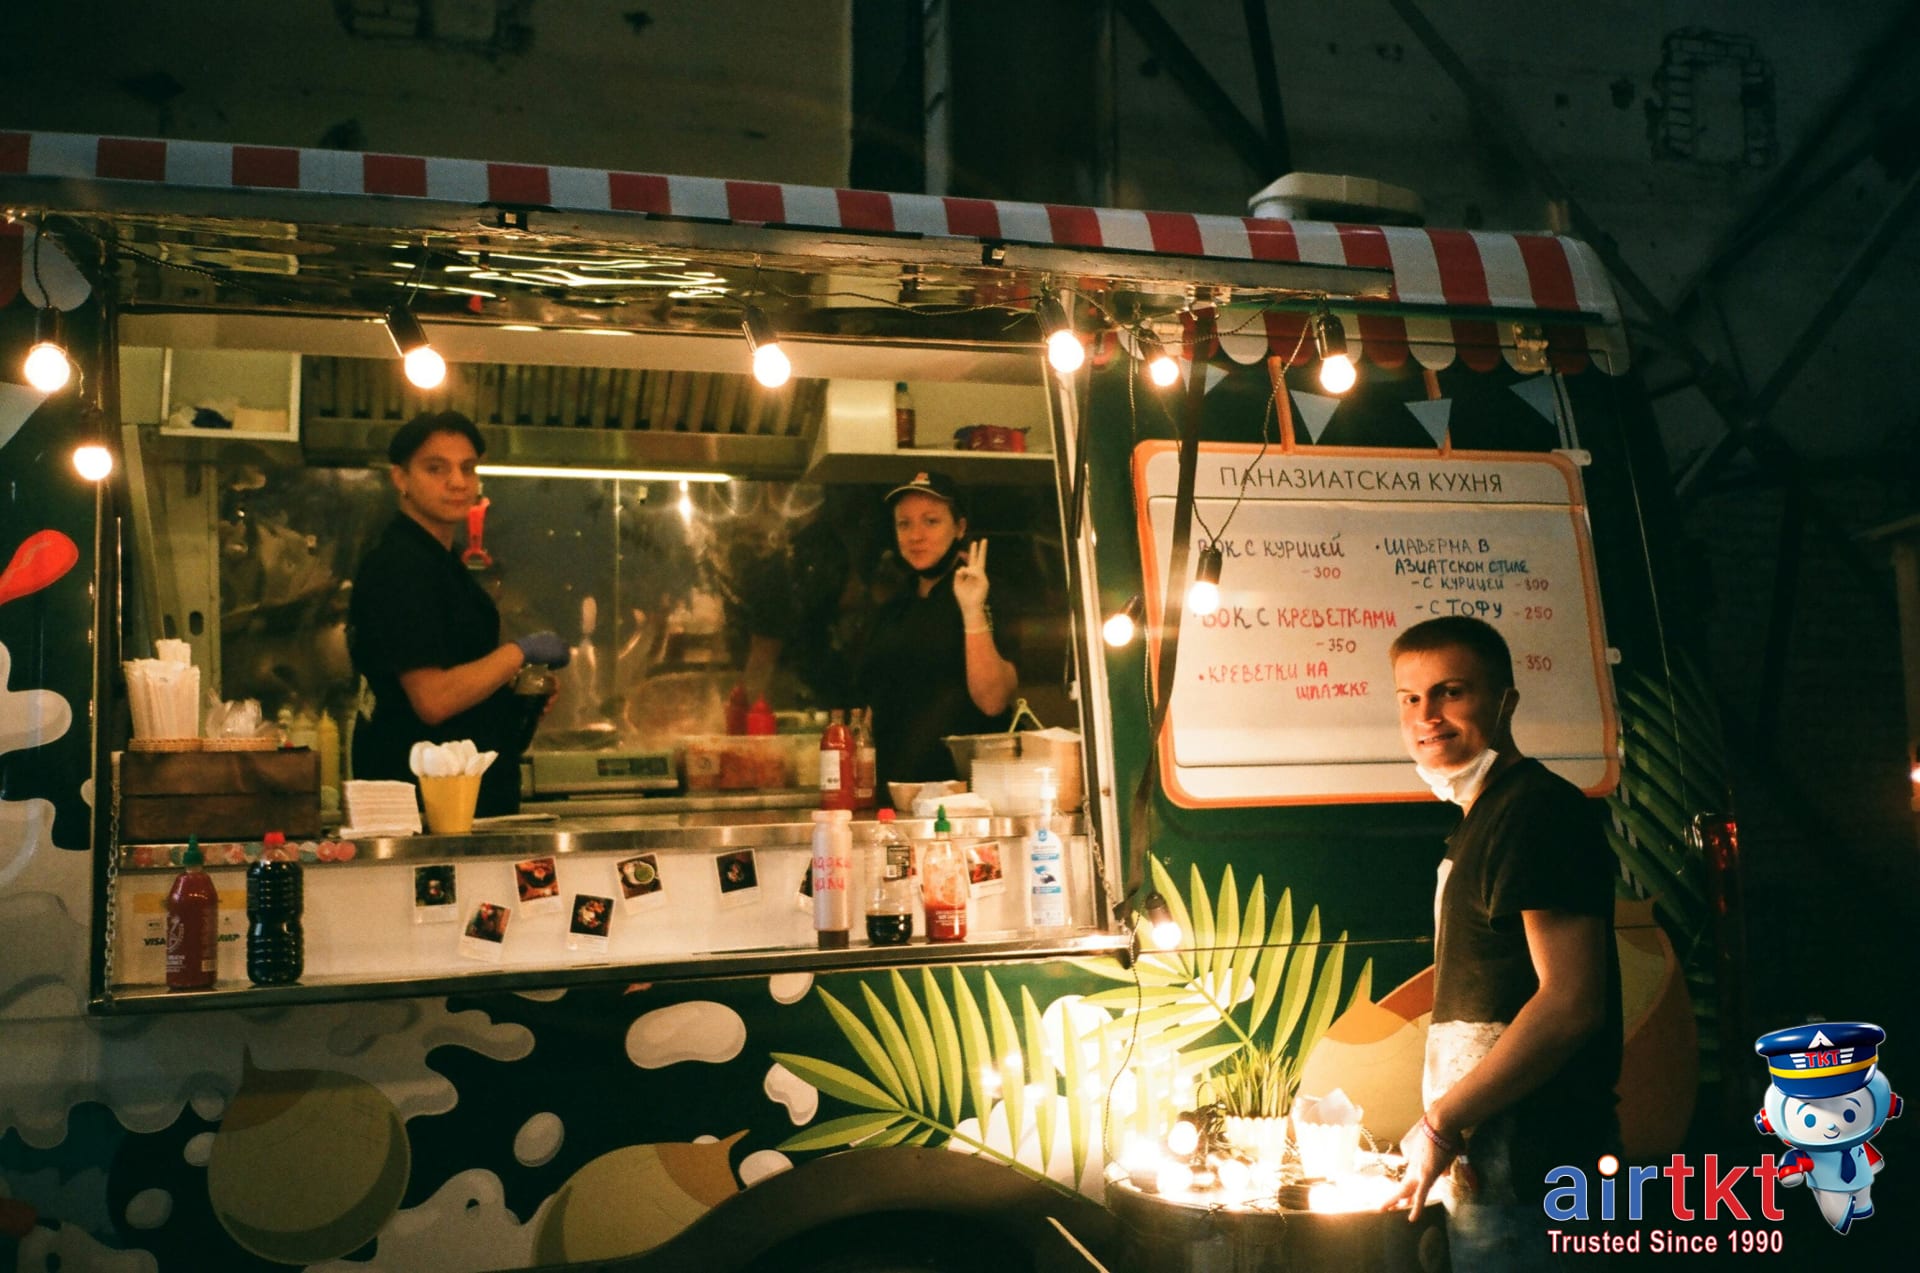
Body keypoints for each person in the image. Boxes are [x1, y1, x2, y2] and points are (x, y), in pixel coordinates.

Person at [1382, 616, 1621, 1269]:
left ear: (1505, 699)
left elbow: (1572, 1004)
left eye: (1450, 691)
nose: (1426, 714)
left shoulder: (1537, 811)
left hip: (1535, 1180)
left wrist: (1442, 1120)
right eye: (1410, 697)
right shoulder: (1479, 817)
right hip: (1494, 1176)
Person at [348, 411, 570, 817]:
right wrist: (518, 653)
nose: (457, 481)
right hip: (427, 814)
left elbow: (452, 672)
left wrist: (508, 692)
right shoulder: (401, 565)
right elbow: (433, 699)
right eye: (436, 468)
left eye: (467, 468)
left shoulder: (438, 561)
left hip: (459, 807)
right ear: (401, 478)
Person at [856, 472, 1019, 789]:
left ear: (959, 528)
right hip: (892, 795)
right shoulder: (893, 606)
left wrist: (972, 610)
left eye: (931, 521)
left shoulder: (988, 595)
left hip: (964, 799)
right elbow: (870, 710)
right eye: (904, 524)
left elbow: (993, 700)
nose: (915, 535)